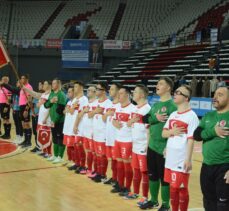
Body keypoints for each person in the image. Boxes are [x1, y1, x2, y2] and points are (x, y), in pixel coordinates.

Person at [140, 77, 177, 210]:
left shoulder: (172, 106)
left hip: (164, 148)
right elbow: (145, 118)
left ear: (168, 88)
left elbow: (174, 129)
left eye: (160, 84)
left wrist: (168, 146)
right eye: (157, 83)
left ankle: (166, 204)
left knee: (164, 177)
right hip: (152, 146)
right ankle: (154, 200)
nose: (157, 85)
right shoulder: (155, 105)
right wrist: (155, 118)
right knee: (152, 174)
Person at [162, 85, 199, 211]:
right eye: (175, 91)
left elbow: (191, 139)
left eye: (179, 93)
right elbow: (164, 133)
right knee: (172, 187)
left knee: (181, 188)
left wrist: (188, 159)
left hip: (181, 158)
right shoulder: (173, 114)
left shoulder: (192, 116)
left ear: (187, 98)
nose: (175, 94)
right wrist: (172, 132)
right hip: (170, 158)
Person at [194, 86, 229, 211]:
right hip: (206, 166)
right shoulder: (208, 115)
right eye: (215, 94)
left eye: (220, 95)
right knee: (208, 201)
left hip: (225, 168)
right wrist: (213, 132)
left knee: (223, 204)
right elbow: (196, 135)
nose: (215, 97)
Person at [124, 85, 151, 206]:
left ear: (142, 95)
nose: (133, 94)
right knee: (136, 170)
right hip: (135, 144)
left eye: (135, 92)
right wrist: (131, 121)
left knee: (144, 172)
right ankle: (135, 192)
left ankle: (145, 197)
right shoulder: (134, 109)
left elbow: (150, 129)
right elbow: (129, 124)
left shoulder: (147, 109)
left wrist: (148, 145)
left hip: (143, 145)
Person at [111, 86, 135, 196]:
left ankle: (127, 187)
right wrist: (114, 123)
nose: (118, 95)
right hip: (118, 139)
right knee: (119, 164)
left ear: (127, 95)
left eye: (120, 93)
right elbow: (114, 120)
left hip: (127, 141)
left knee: (127, 166)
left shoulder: (133, 109)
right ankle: (120, 185)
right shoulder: (118, 108)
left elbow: (134, 125)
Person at [89, 82, 112, 183]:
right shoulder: (95, 102)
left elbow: (105, 119)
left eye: (98, 89)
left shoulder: (108, 104)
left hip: (103, 133)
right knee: (96, 155)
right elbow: (89, 115)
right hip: (95, 133)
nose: (96, 91)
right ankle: (98, 172)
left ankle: (103, 175)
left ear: (104, 91)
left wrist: (102, 113)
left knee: (102, 155)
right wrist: (95, 111)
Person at [2, 74, 33, 147]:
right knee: (24, 125)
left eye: (22, 78)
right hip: (21, 106)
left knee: (27, 124)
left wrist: (26, 109)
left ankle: (28, 142)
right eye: (21, 78)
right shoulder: (22, 88)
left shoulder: (29, 87)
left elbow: (29, 99)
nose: (21, 80)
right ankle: (25, 140)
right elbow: (13, 90)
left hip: (25, 107)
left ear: (26, 79)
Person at [23, 81, 52, 155]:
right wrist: (25, 88)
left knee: (47, 136)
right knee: (41, 135)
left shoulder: (51, 95)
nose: (43, 85)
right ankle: (43, 150)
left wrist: (46, 118)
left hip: (46, 120)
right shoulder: (43, 94)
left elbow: (50, 108)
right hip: (40, 119)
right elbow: (34, 94)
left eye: (45, 84)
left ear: (49, 85)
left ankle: (48, 153)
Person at [44, 78, 66, 163]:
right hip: (52, 120)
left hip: (59, 121)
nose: (52, 85)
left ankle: (60, 157)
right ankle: (55, 155)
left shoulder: (62, 95)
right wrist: (51, 101)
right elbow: (46, 105)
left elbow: (60, 110)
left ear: (58, 85)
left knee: (60, 138)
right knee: (54, 138)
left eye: (53, 83)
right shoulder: (52, 94)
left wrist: (55, 120)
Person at [103, 83, 121, 185]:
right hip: (109, 136)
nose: (110, 91)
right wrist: (106, 114)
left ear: (118, 91)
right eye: (109, 89)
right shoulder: (109, 104)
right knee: (112, 160)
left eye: (112, 89)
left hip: (116, 137)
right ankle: (114, 177)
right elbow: (104, 119)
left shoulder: (120, 105)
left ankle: (118, 179)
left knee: (117, 160)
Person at [78, 86, 97, 175]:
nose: (88, 91)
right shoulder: (87, 104)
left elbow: (91, 116)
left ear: (94, 92)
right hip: (86, 131)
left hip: (93, 132)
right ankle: (89, 168)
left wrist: (87, 112)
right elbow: (80, 114)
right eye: (87, 90)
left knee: (94, 153)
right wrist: (84, 111)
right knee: (88, 151)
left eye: (90, 90)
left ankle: (95, 171)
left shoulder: (97, 103)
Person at [72, 81, 88, 174]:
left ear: (81, 88)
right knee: (76, 146)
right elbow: (71, 111)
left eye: (76, 87)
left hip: (80, 126)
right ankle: (77, 163)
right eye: (74, 87)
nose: (75, 88)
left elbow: (80, 114)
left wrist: (76, 125)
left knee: (79, 146)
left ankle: (83, 165)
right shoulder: (75, 100)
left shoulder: (84, 99)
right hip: (74, 125)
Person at [62, 87, 76, 165]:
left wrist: (68, 109)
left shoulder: (75, 101)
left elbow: (71, 111)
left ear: (74, 93)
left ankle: (74, 161)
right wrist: (67, 109)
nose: (68, 93)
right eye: (68, 92)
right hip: (67, 127)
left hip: (71, 127)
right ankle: (69, 159)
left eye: (70, 92)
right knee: (68, 145)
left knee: (72, 146)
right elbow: (64, 111)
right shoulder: (68, 102)